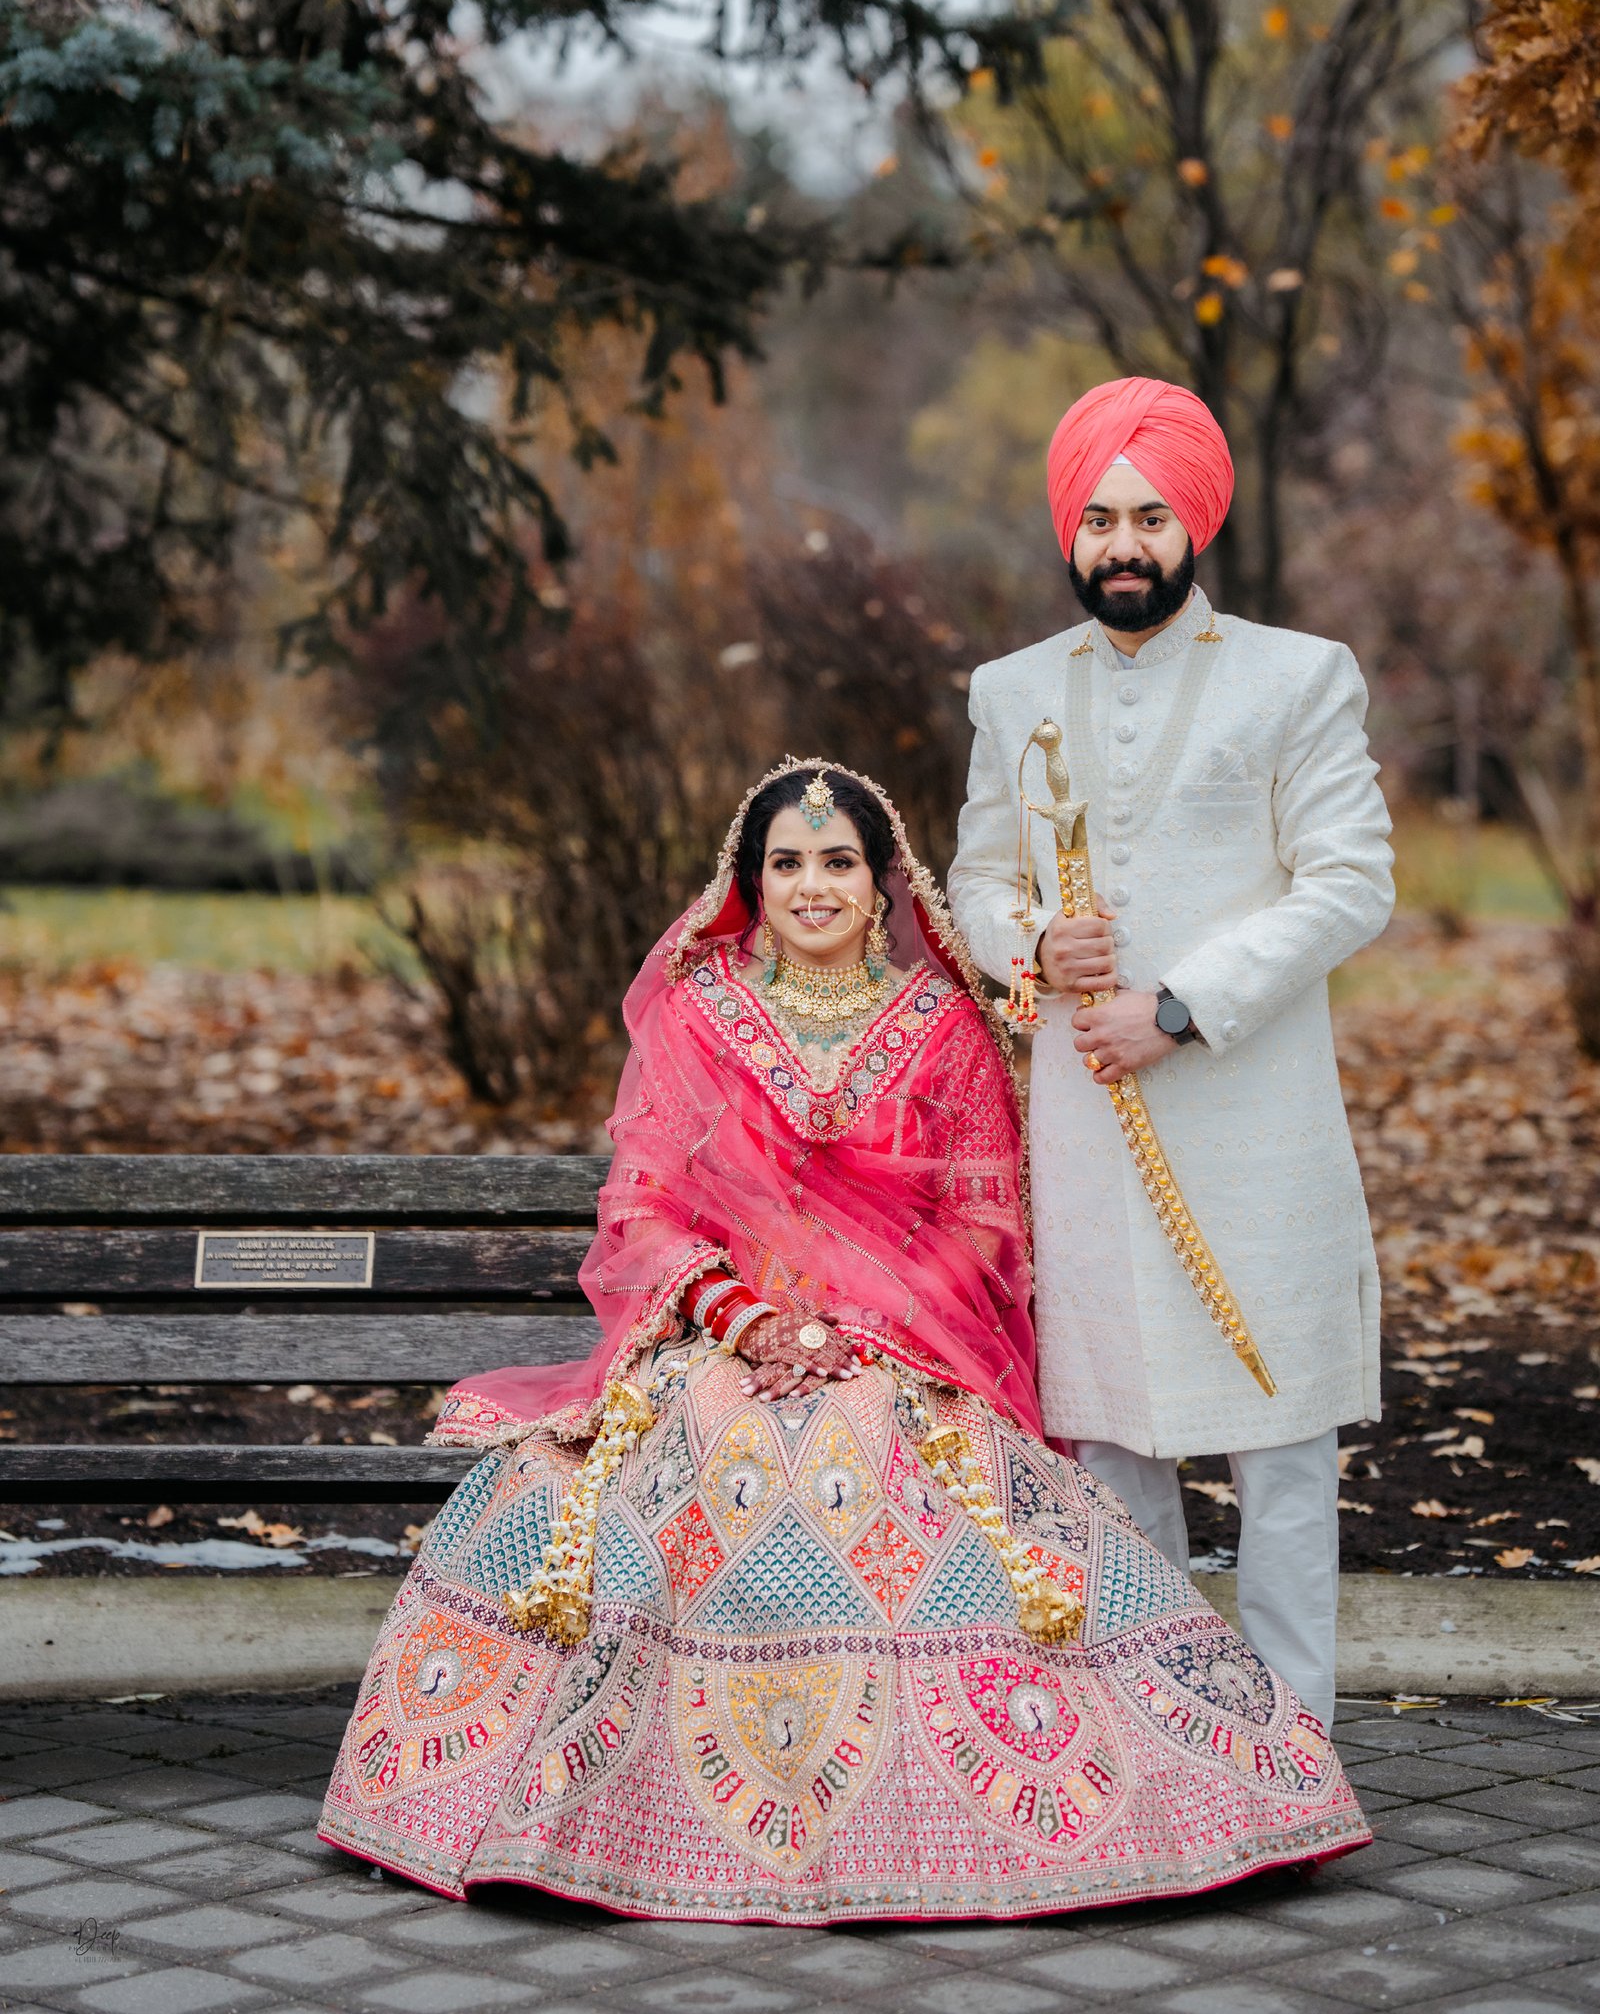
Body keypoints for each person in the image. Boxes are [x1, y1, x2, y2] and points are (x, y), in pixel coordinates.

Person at [320, 758, 1369, 1920]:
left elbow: (982, 1219)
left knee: (879, 1453)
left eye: (838, 863)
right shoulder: (697, 1013)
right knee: (690, 1448)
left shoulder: (943, 1026)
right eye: (786, 864)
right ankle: (615, 1813)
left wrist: (862, 1326)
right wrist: (749, 1317)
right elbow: (643, 1208)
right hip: (723, 1344)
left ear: (884, 884)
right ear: (749, 881)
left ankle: (1005, 1813)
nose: (811, 885)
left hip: (904, 1351)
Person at [948, 376, 1395, 1733]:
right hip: (1089, 1130)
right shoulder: (1010, 690)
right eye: (1097, 518)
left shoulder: (1298, 674)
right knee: (1111, 1443)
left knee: (1280, 1449)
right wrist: (1033, 954)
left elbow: (1350, 883)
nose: (1122, 543)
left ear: (1194, 521)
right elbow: (975, 876)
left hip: (1254, 1128)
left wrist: (1183, 1004)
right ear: (1068, 531)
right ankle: (1161, 1744)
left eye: (1147, 515)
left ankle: (1292, 1742)